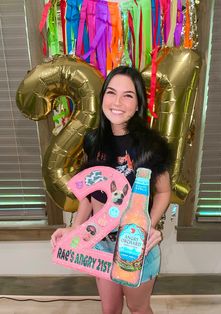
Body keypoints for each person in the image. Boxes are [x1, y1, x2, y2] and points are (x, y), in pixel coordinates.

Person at [51, 66, 172, 314]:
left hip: (135, 246)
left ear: (138, 103)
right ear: (102, 96)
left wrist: (150, 225)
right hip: (99, 243)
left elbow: (163, 192)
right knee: (110, 310)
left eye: (128, 95)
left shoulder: (151, 145)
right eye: (111, 92)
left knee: (138, 308)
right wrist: (75, 228)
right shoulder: (93, 140)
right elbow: (91, 193)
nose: (117, 102)